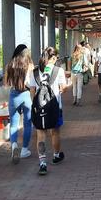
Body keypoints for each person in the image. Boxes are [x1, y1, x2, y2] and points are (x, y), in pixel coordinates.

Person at [29, 47, 70, 175]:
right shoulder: (59, 71)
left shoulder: (34, 72)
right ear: (53, 58)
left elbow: (32, 91)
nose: (57, 60)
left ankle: (42, 163)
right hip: (55, 107)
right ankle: (56, 155)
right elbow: (63, 88)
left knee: (40, 135)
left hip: (39, 108)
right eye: (56, 58)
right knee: (55, 132)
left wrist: (36, 104)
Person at [4, 44, 33, 163]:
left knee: (14, 125)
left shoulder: (10, 65)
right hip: (26, 96)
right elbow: (32, 83)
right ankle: (25, 150)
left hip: (14, 95)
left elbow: (6, 83)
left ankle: (14, 146)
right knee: (27, 124)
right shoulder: (30, 65)